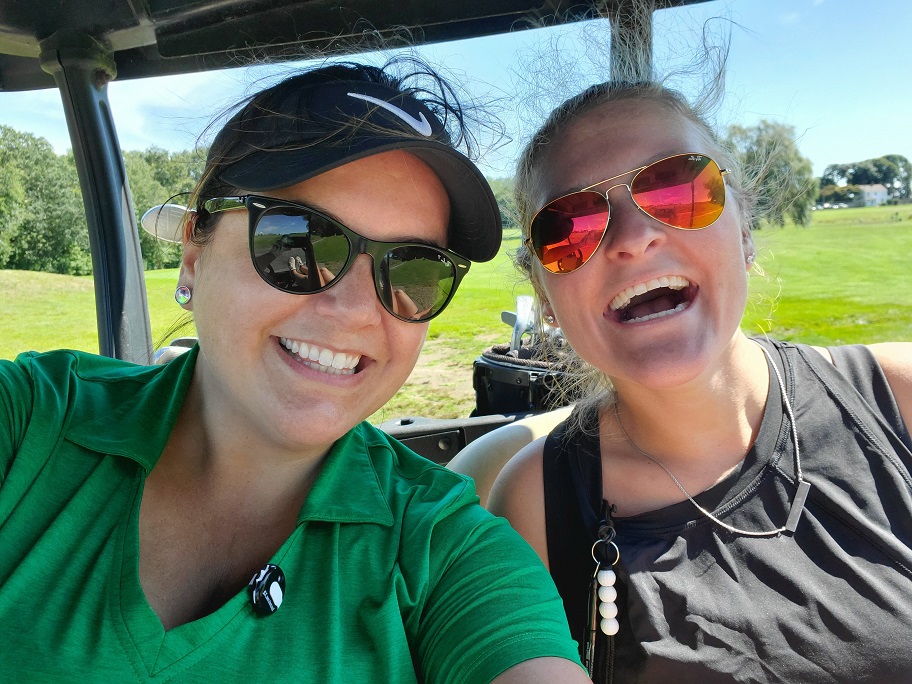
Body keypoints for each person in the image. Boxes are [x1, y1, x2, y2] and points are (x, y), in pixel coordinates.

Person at [0, 59, 589, 683]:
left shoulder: (443, 550)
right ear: (194, 254)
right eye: (297, 242)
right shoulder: (33, 423)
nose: (356, 311)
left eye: (415, 268)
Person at [484, 70, 912, 682]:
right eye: (570, 227)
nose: (634, 238)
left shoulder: (901, 395)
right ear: (544, 296)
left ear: (745, 229)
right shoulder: (536, 504)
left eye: (677, 188)